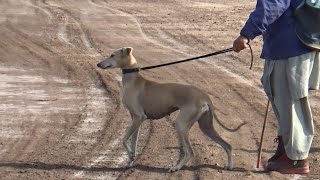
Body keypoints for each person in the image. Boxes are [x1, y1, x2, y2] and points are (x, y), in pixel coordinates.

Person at [233, 0, 320, 174]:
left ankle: (296, 158)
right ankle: (287, 149)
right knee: (284, 98)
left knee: (290, 101)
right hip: (298, 43)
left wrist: (246, 34)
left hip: (291, 46)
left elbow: (272, 5)